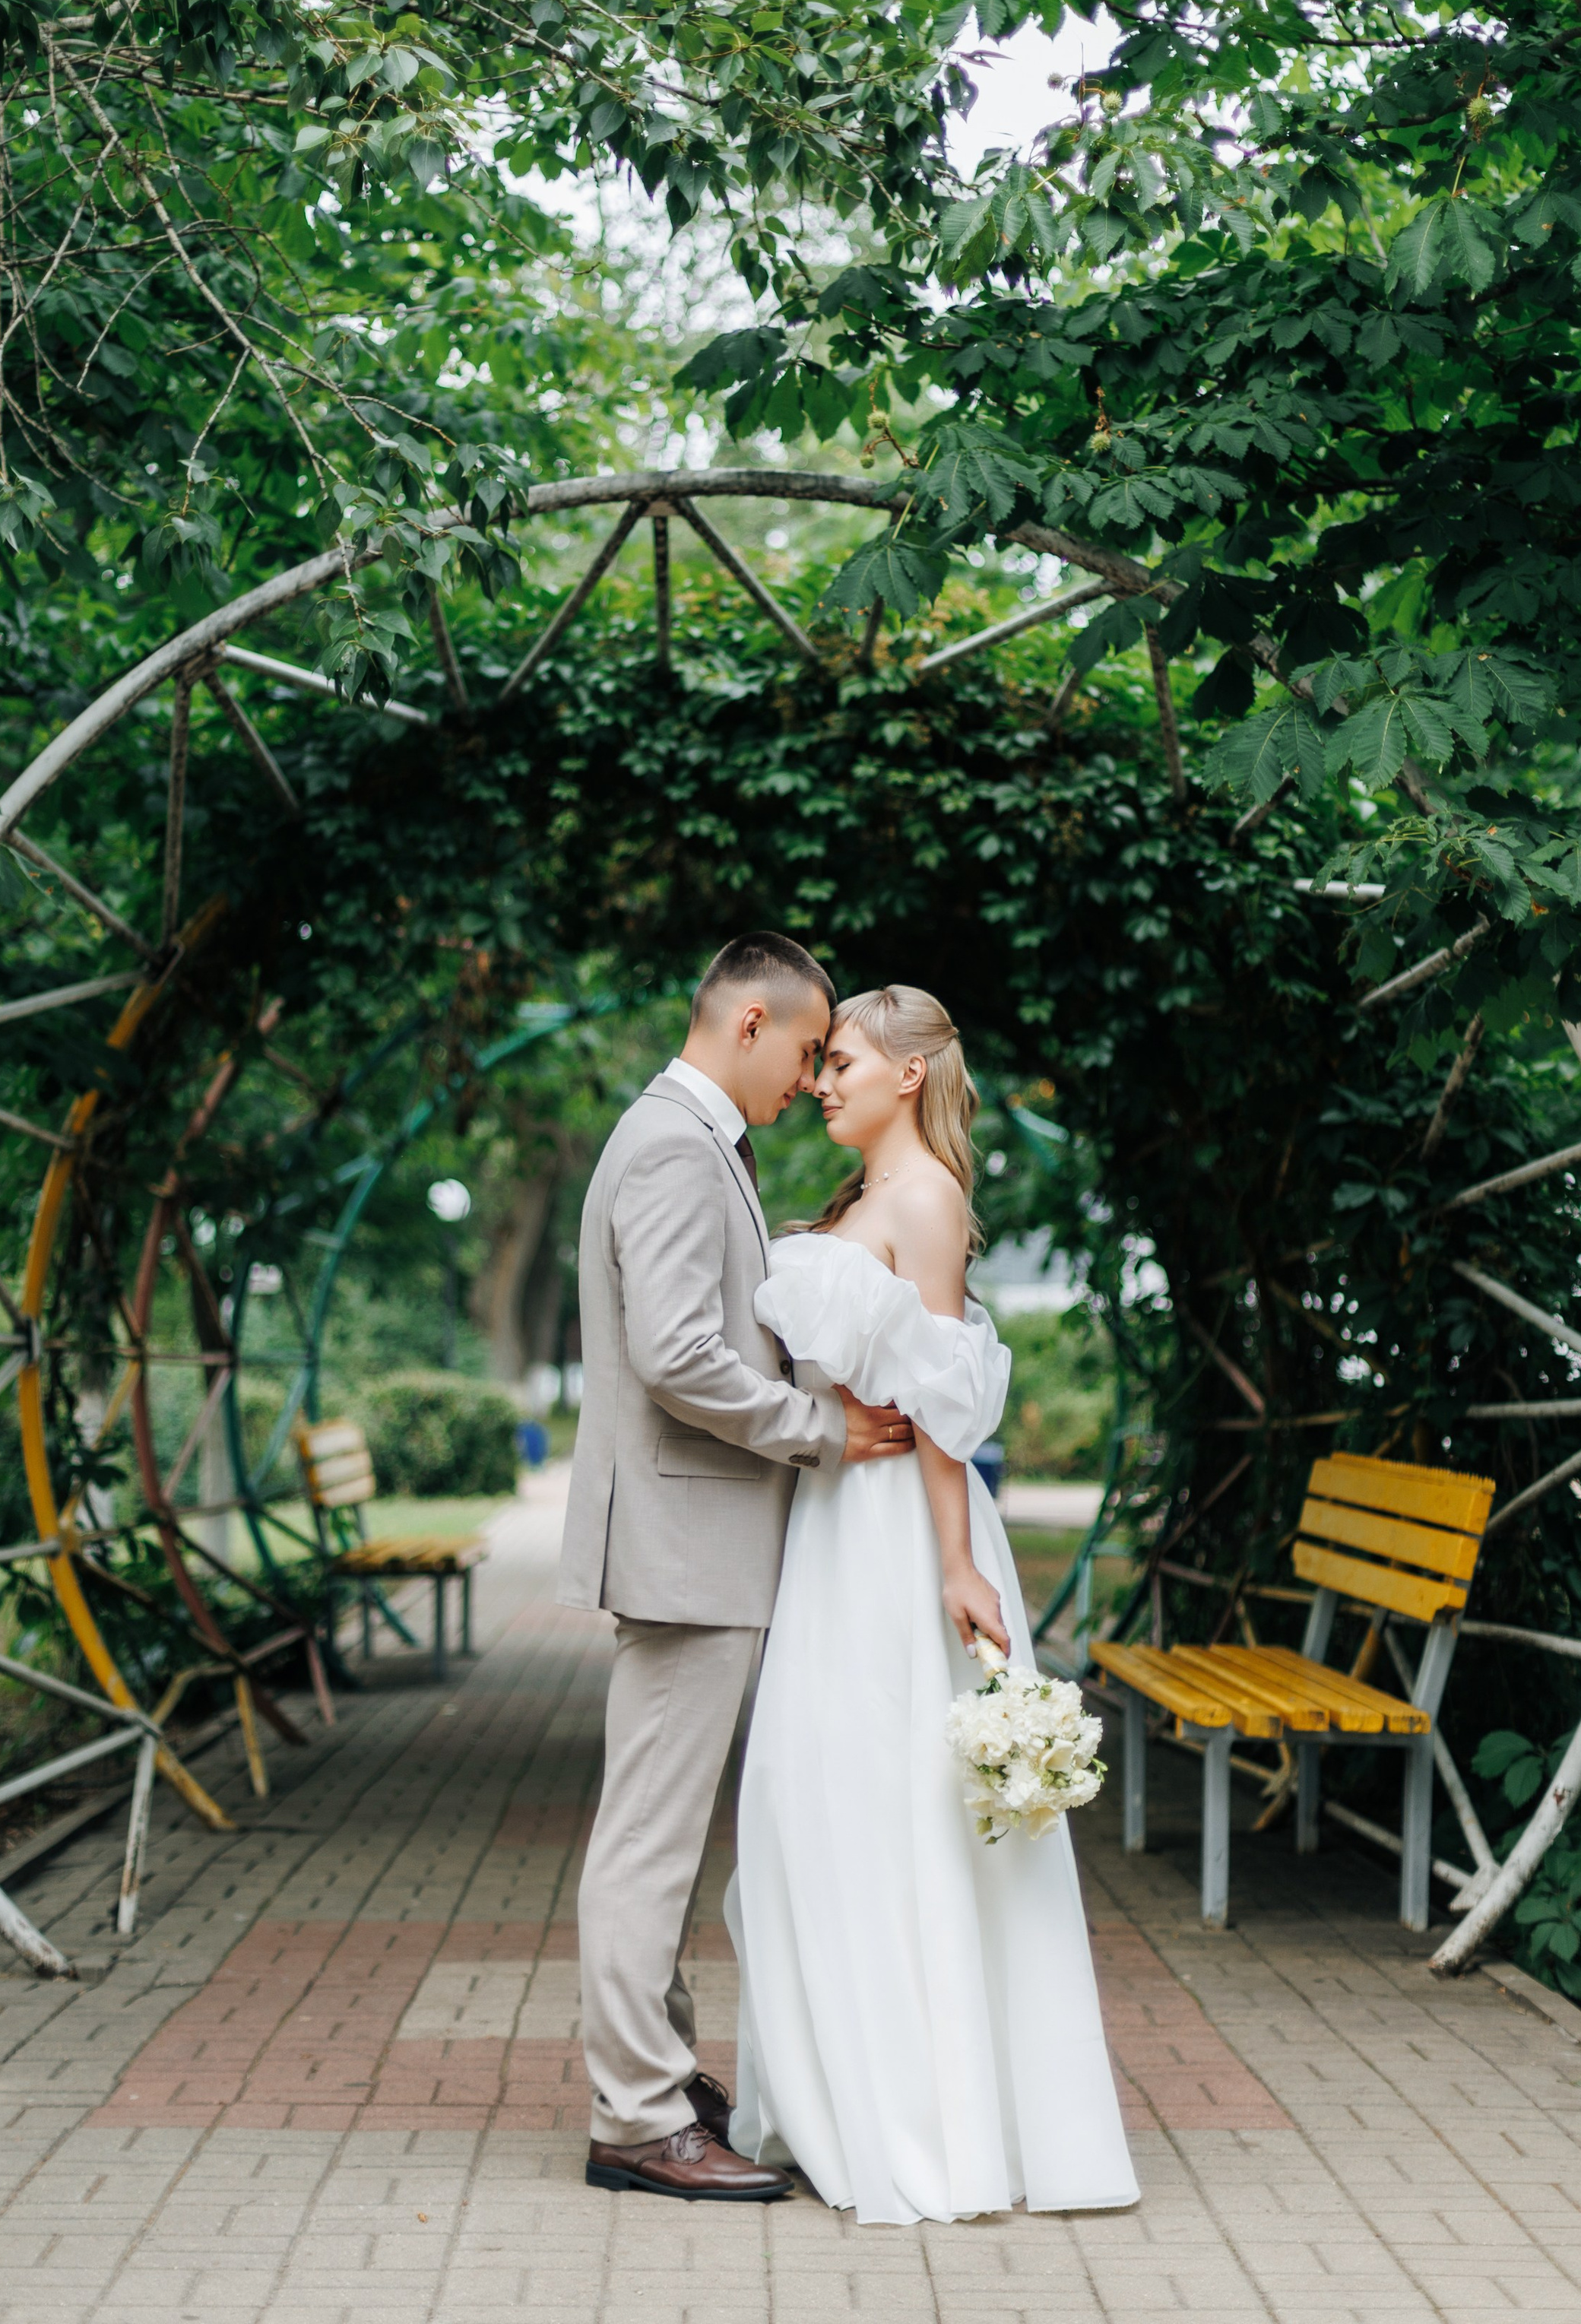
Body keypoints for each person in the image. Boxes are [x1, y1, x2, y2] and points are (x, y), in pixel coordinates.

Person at [726, 984, 1139, 2225]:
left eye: (842, 1061)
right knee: (817, 1799)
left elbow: (945, 1407)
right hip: (833, 1527)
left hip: (904, 1534)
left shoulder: (930, 1201)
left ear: (909, 1074)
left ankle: (919, 2114)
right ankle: (835, 2086)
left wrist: (960, 1567)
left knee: (900, 1804)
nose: (820, 1080)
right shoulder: (857, 1200)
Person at [562, 932, 915, 2203]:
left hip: (692, 1538)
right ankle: (638, 2118)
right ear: (751, 1022)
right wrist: (819, 1432)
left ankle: (656, 2077)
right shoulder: (669, 1143)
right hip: (684, 1542)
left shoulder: (694, 1139)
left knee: (652, 1834)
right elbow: (678, 1355)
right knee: (647, 1844)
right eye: (811, 1052)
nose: (812, 1080)